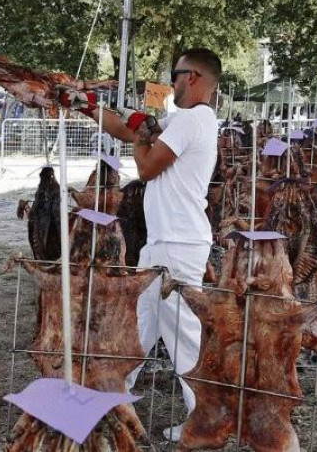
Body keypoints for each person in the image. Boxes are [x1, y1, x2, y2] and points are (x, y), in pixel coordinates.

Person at [59, 47, 222, 442]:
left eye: (176, 75)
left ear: (194, 78)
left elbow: (147, 168)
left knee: (184, 338)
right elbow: (128, 128)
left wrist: (141, 141)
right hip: (164, 243)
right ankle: (110, 403)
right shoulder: (185, 120)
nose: (172, 82)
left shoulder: (192, 120)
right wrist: (83, 104)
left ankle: (207, 420)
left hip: (177, 245)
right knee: (136, 328)